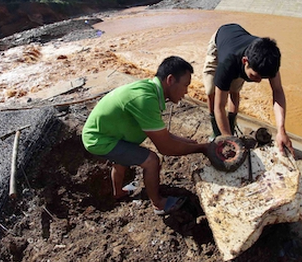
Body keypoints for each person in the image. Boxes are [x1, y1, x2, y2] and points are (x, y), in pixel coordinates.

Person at [82, 56, 209, 215]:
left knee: (120, 161)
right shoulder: (146, 99)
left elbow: (163, 134)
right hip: (99, 140)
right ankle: (158, 204)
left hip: (108, 133)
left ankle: (118, 192)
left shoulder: (149, 90)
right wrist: (201, 148)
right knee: (151, 161)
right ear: (170, 80)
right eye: (185, 85)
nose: (186, 92)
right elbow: (165, 147)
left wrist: (189, 142)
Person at [202, 23, 294, 156]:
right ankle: (217, 131)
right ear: (245, 61)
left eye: (263, 78)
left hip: (239, 43)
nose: (258, 81)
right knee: (211, 90)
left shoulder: (269, 60)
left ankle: (231, 125)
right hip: (220, 41)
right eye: (255, 77)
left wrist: (281, 130)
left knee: (234, 90)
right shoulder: (227, 63)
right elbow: (220, 106)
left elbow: (278, 91)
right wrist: (229, 141)